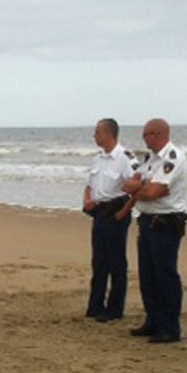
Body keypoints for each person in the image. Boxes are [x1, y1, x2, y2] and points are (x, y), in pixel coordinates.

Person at [123, 119, 187, 343]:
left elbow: (153, 191)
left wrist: (144, 188)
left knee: (165, 275)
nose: (144, 139)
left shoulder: (173, 157)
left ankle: (170, 327)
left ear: (158, 133)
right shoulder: (150, 159)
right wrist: (146, 188)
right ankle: (153, 320)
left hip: (165, 222)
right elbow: (128, 185)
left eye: (146, 135)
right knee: (148, 275)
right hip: (147, 220)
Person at [82, 118, 139, 322]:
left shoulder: (125, 158)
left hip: (115, 213)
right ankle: (95, 305)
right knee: (99, 262)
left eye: (97, 132)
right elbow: (90, 184)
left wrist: (123, 213)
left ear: (108, 133)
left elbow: (136, 187)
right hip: (99, 213)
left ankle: (115, 309)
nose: (94, 136)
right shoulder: (98, 159)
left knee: (116, 263)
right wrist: (87, 199)